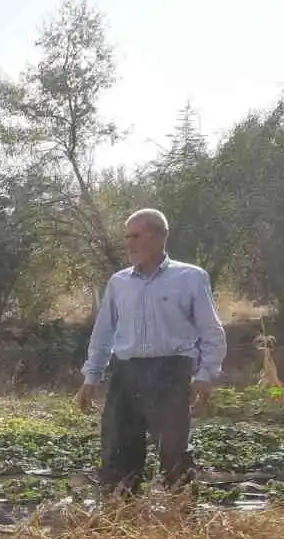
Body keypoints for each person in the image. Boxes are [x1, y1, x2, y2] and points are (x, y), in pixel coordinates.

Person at [76, 208, 227, 495]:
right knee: (118, 453)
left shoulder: (191, 277)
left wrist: (206, 375)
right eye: (126, 237)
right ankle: (119, 523)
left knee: (174, 453)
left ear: (159, 237)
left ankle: (180, 525)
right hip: (126, 374)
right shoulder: (118, 283)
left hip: (171, 373)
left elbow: (212, 332)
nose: (129, 243)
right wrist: (91, 377)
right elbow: (104, 333)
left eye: (136, 235)